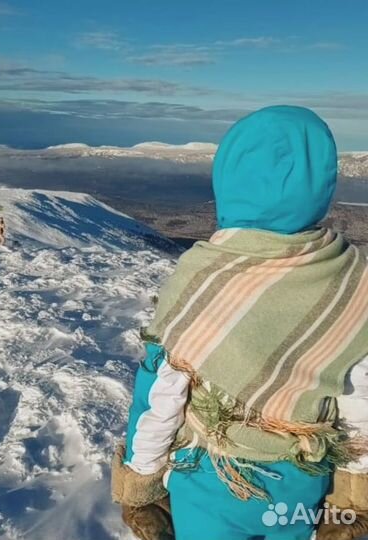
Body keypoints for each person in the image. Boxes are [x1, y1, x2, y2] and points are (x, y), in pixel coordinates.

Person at [112, 106, 368, 540]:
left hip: (209, 479)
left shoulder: (200, 280)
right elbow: (359, 400)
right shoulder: (351, 282)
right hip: (300, 481)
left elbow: (161, 393)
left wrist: (141, 483)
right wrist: (352, 496)